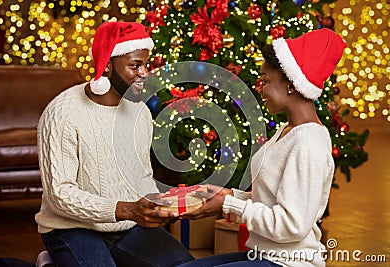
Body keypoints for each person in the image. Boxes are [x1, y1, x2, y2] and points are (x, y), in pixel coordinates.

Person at [179, 28, 346, 267]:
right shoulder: (286, 131)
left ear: (290, 84)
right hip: (265, 255)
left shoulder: (309, 140)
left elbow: (292, 225)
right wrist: (225, 195)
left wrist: (228, 204)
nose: (259, 88)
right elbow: (272, 199)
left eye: (265, 81)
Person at [35, 21, 193, 267]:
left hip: (128, 225)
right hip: (72, 227)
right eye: (135, 65)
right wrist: (126, 210)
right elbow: (60, 195)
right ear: (107, 65)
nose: (144, 73)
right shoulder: (63, 113)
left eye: (146, 65)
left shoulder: (140, 111)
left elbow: (141, 175)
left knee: (185, 266)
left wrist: (158, 205)